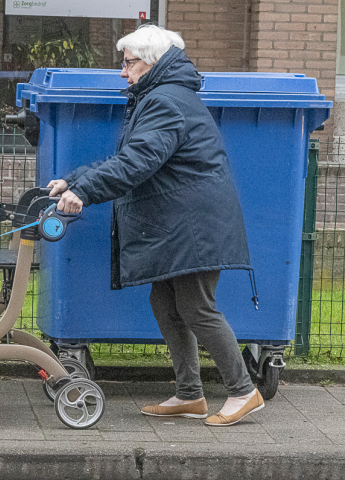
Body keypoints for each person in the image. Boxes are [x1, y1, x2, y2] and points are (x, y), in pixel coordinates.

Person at [46, 25, 264, 426]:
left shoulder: (166, 101)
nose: (123, 72)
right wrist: (75, 180)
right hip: (181, 222)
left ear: (152, 62)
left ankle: (243, 391)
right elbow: (134, 154)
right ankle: (189, 394)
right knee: (165, 303)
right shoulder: (158, 97)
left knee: (198, 307)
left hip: (194, 225)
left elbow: (138, 162)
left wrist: (86, 192)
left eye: (128, 63)